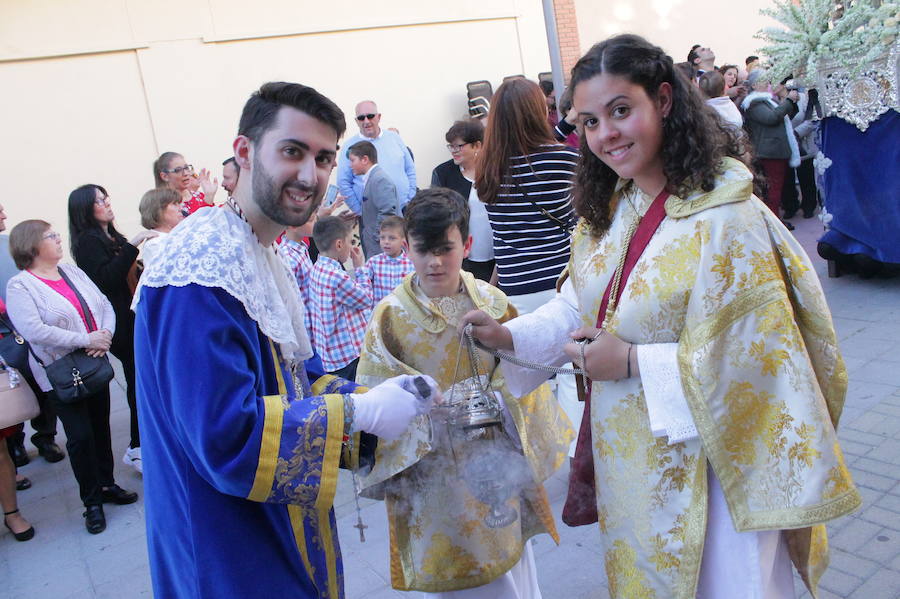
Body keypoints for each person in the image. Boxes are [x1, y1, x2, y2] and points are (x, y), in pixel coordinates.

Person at [462, 34, 859, 598]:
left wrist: (630, 361)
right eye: (590, 121)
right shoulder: (610, 213)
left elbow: (766, 360)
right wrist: (509, 335)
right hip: (635, 459)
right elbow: (579, 304)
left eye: (621, 111)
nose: (606, 135)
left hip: (717, 471)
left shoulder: (731, 220)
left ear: (665, 101)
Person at [133, 81, 435, 599]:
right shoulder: (201, 270)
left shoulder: (255, 249)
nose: (309, 174)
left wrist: (374, 398)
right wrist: (358, 417)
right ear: (245, 151)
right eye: (292, 151)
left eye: (323, 158)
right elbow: (225, 437)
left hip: (274, 523)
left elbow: (287, 380)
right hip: (228, 543)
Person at [356, 188, 572, 598]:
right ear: (407, 247)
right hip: (432, 469)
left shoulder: (491, 301)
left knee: (511, 563)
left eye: (445, 249)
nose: (435, 262)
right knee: (457, 570)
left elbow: (520, 369)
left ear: (467, 245)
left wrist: (492, 395)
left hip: (493, 462)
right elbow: (376, 390)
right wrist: (418, 404)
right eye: (423, 250)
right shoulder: (390, 316)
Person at [7, 220, 139, 535]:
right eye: (50, 236)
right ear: (32, 246)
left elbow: (104, 303)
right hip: (61, 373)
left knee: (100, 429)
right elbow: (34, 330)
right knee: (79, 438)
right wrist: (86, 340)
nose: (57, 239)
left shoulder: (72, 272)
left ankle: (107, 484)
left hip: (94, 362)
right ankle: (91, 503)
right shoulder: (21, 286)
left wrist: (104, 334)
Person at [69, 184, 157, 474]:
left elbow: (129, 271)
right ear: (85, 209)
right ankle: (137, 447)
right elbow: (107, 279)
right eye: (99, 200)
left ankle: (144, 443)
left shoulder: (111, 235)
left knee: (142, 382)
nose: (107, 203)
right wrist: (134, 244)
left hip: (135, 315)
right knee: (136, 382)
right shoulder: (87, 242)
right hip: (119, 323)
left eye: (106, 197)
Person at [473, 77, 578, 315]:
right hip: (564, 282)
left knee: (522, 353)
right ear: (539, 111)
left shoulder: (487, 170)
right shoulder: (565, 160)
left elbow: (499, 236)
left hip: (514, 288)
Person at [0, 204, 63, 467]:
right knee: (11, 387)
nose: (4, 215)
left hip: (30, 324)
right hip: (4, 331)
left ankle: (45, 437)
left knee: (42, 383)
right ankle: (14, 445)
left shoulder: (8, 243)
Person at [308, 216, 373, 380]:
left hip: (330, 353)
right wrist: (360, 268)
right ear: (339, 244)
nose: (352, 247)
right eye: (350, 242)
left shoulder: (317, 268)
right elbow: (366, 299)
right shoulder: (337, 277)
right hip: (347, 357)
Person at [431, 120, 495, 281]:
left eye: (459, 146)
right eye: (451, 146)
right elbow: (437, 216)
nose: (454, 151)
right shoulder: (443, 173)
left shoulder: (495, 170)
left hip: (498, 256)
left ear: (477, 146)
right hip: (464, 258)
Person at [741, 69, 800, 226]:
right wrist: (788, 101)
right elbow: (771, 118)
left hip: (774, 151)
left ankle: (776, 221)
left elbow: (781, 117)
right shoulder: (753, 102)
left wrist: (789, 103)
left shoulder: (766, 100)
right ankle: (774, 223)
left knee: (776, 189)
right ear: (754, 84)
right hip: (769, 152)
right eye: (763, 79)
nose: (767, 82)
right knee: (773, 190)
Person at [336, 100, 417, 214]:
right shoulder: (349, 146)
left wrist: (410, 198)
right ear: (356, 121)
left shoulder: (394, 138)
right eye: (361, 118)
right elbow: (343, 182)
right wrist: (360, 212)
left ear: (378, 117)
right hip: (372, 217)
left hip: (404, 210)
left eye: (370, 116)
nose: (366, 121)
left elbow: (410, 169)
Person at [346, 140, 401, 258]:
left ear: (365, 159)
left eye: (352, 160)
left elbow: (387, 212)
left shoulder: (380, 180)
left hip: (379, 247)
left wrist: (377, 237)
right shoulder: (372, 178)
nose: (350, 165)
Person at [358, 215, 414, 303]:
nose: (386, 242)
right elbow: (364, 287)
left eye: (392, 238)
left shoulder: (411, 263)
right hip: (380, 313)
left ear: (403, 241)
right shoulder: (373, 263)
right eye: (382, 237)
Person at [153, 152, 218, 215]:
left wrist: (209, 196)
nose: (186, 173)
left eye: (186, 168)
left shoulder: (200, 196)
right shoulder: (167, 207)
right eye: (178, 170)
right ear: (165, 176)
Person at [138, 188, 185, 270]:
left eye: (179, 204)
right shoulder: (154, 243)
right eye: (175, 204)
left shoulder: (179, 234)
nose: (181, 208)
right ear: (158, 210)